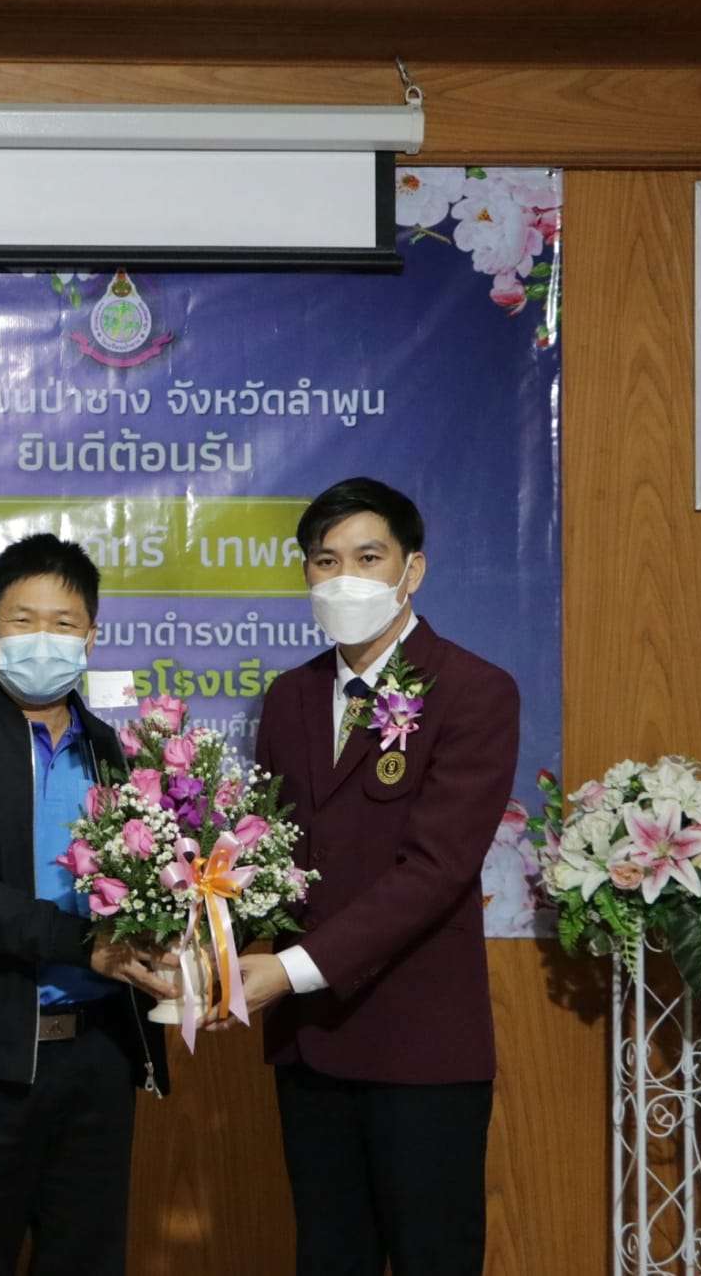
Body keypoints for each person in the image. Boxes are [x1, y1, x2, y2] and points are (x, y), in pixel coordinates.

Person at [225, 476, 519, 1276]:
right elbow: (268, 855)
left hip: (419, 1048)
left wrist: (287, 970)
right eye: (325, 561)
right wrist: (213, 948)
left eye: (367, 557)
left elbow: (436, 869)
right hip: (311, 1048)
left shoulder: (474, 690)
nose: (344, 577)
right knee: (327, 1256)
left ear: (411, 569)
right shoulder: (289, 697)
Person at [0, 533, 177, 1276]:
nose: (43, 639)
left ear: (90, 637)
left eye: (63, 622)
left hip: (99, 1058)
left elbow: (154, 883)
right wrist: (85, 945)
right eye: (23, 621)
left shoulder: (119, 756)